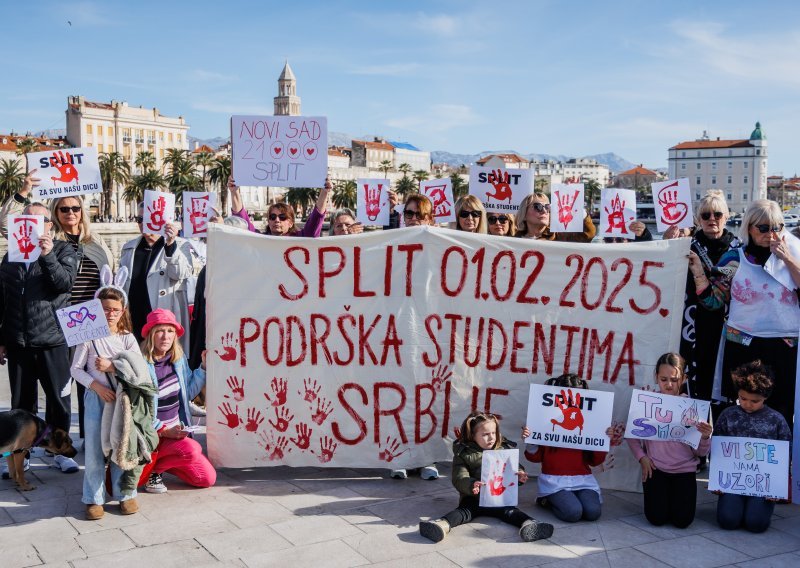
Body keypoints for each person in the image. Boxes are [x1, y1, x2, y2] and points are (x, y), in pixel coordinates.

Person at [690, 199, 799, 430]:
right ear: (749, 227)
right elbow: (713, 301)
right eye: (763, 228)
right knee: (739, 408)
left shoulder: (794, 252)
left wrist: (787, 259)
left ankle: (779, 460)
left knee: (782, 406)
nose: (771, 234)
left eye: (777, 227)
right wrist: (699, 273)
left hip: (785, 344)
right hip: (744, 343)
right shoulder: (734, 258)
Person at [0, 196, 78, 477]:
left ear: (49, 225)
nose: (31, 225)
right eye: (26, 219)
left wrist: (47, 256)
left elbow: (63, 284)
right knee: (22, 405)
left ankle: (60, 450)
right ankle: (22, 454)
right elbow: (3, 300)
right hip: (18, 341)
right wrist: (1, 339)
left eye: (38, 220)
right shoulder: (10, 256)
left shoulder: (64, 250)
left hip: (53, 340)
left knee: (58, 400)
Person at [70, 269, 146, 519]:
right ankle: (93, 498)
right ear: (96, 309)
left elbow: (139, 369)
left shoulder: (126, 338)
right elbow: (76, 369)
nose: (110, 314)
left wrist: (113, 367)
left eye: (115, 309)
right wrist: (97, 386)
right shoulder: (88, 337)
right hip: (97, 399)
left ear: (122, 311)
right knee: (93, 450)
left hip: (122, 399)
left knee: (120, 445)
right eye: (105, 308)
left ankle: (125, 494)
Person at [419, 411, 554, 543]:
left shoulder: (503, 449)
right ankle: (441, 525)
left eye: (493, 433)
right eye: (485, 434)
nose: (491, 438)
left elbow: (515, 468)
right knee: (463, 512)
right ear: (473, 435)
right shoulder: (464, 454)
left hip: (499, 498)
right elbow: (459, 477)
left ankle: (529, 524)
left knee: (510, 512)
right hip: (474, 498)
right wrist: (471, 485)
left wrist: (519, 475)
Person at [666, 191, 738, 416]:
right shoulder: (685, 246)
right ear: (698, 219)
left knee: (723, 378)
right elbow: (657, 267)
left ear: (726, 217)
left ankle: (718, 433)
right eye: (706, 215)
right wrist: (666, 242)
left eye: (717, 214)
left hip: (726, 323)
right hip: (692, 323)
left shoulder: (739, 249)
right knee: (694, 379)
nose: (712, 219)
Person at [50, 195, 114, 440]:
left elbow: (109, 278)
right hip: (61, 320)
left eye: (75, 207)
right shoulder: (48, 242)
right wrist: (22, 193)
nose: (70, 213)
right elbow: (8, 228)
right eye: (63, 208)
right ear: (55, 212)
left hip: (92, 319)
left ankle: (93, 436)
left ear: (82, 210)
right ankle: (60, 442)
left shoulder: (95, 242)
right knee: (62, 386)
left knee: (94, 381)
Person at [385, 193, 439, 480]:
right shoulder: (391, 244)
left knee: (426, 392)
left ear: (430, 218)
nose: (414, 218)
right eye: (408, 213)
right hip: (399, 326)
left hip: (431, 328)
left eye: (420, 214)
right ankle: (400, 454)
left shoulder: (438, 245)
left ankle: (426, 456)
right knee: (399, 390)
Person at [626, 353, 712, 528]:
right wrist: (642, 458)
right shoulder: (647, 402)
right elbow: (632, 435)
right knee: (656, 518)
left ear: (684, 378)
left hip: (685, 471)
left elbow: (701, 452)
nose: (669, 385)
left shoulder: (694, 408)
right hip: (656, 469)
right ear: (656, 377)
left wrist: (705, 437)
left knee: (683, 521)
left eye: (674, 379)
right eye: (664, 379)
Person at [138, 308, 216, 493]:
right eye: (160, 331)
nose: (166, 336)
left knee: (206, 479)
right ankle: (153, 471)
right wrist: (164, 431)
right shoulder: (140, 364)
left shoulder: (177, 360)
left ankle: (161, 465)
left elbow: (187, 392)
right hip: (154, 435)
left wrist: (203, 367)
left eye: (170, 331)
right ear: (150, 335)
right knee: (192, 449)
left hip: (176, 432)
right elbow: (138, 410)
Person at [714, 360, 791, 533]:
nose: (747, 404)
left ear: (766, 397)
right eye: (743, 398)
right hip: (733, 481)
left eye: (754, 401)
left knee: (756, 524)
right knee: (728, 520)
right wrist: (717, 480)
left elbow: (785, 455)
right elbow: (718, 448)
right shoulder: (728, 415)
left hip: (763, 485)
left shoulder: (776, 420)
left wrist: (777, 487)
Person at [522, 374, 610, 523]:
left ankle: (566, 500)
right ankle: (546, 500)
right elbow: (535, 457)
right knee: (573, 513)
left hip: (583, 479)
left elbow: (595, 461)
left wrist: (603, 438)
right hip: (554, 482)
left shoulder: (589, 422)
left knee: (593, 513)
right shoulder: (547, 422)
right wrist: (531, 440)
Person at [119, 202, 194, 350]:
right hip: (135, 317)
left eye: (147, 219)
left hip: (163, 317)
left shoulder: (180, 244)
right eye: (139, 220)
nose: (143, 224)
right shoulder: (129, 247)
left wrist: (170, 244)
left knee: (165, 361)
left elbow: (180, 273)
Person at [515, 192, 596, 242]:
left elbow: (588, 235)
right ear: (524, 214)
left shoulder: (559, 237)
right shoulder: (513, 241)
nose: (544, 211)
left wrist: (578, 211)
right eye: (538, 206)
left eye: (547, 207)